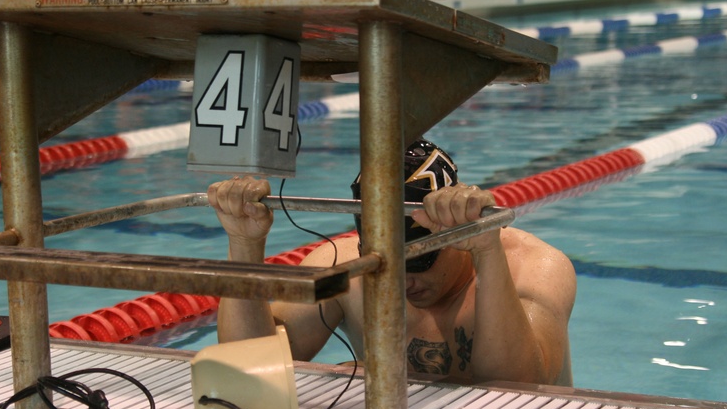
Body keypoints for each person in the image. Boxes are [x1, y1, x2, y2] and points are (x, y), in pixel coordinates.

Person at [208, 139, 576, 386]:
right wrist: (243, 244)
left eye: (417, 260)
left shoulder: (534, 266)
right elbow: (249, 367)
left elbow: (521, 389)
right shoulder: (346, 266)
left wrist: (486, 251)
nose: (400, 280)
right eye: (383, 264)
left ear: (454, 236)